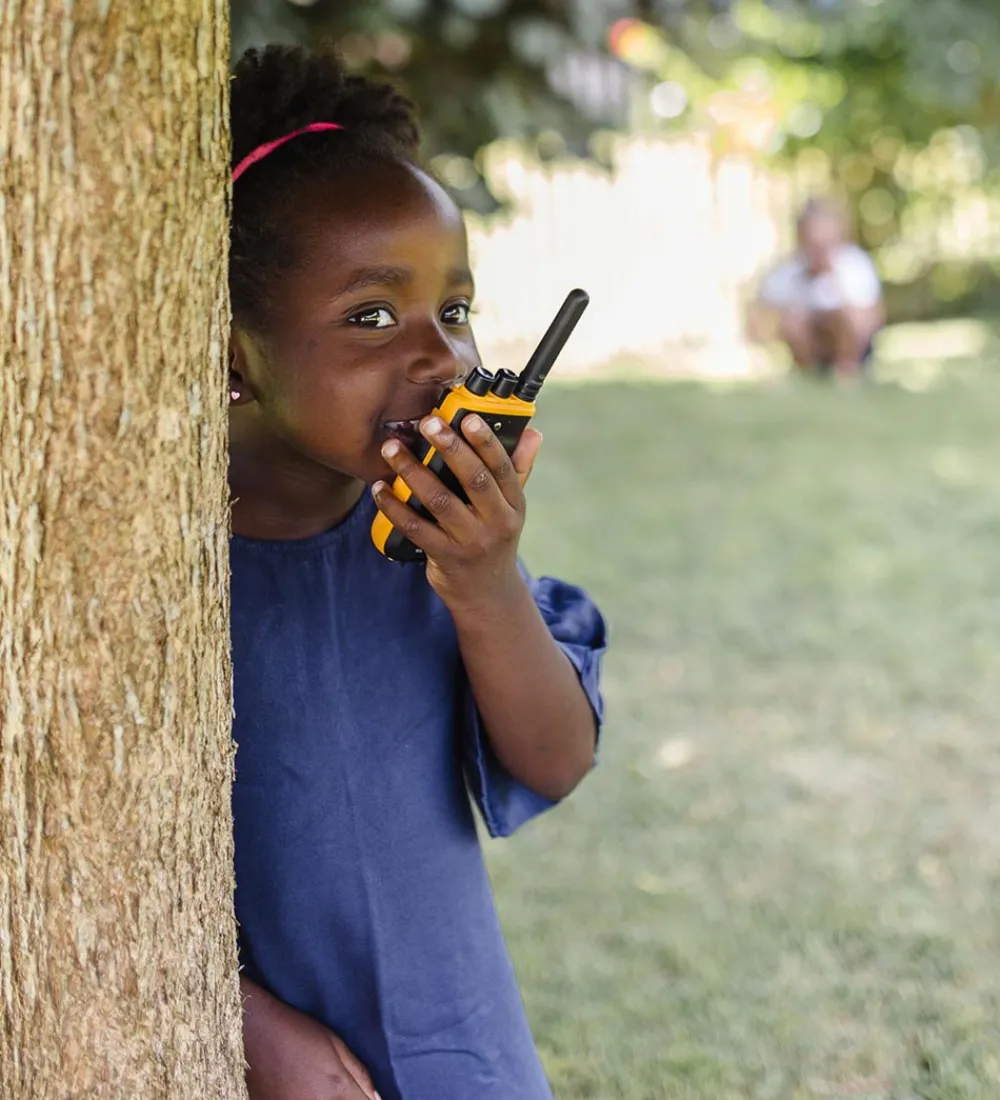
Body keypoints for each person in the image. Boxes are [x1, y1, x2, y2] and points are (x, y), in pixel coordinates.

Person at [227, 46, 607, 1100]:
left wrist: (486, 581)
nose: (439, 357)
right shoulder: (150, 580)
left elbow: (554, 759)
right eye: (369, 316)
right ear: (231, 354)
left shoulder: (434, 539)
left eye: (454, 306)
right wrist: (238, 1022)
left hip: (457, 1047)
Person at [750, 198, 886, 379]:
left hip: (847, 340)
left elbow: (871, 316)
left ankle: (847, 371)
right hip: (809, 341)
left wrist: (836, 288)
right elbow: (758, 320)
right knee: (791, 319)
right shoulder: (788, 269)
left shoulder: (855, 264)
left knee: (851, 315)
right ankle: (808, 372)